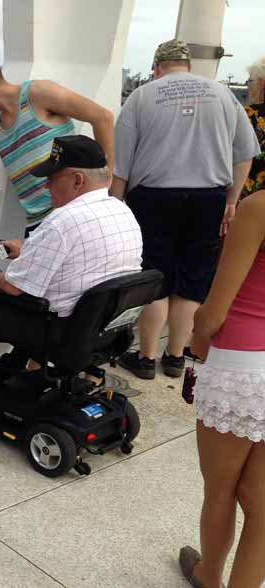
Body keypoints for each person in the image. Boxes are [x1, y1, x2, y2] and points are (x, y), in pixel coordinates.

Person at [112, 39, 261, 381]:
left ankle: (146, 359)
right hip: (209, 197)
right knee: (192, 280)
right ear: (189, 66)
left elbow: (121, 163)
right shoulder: (222, 95)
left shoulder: (141, 96)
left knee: (155, 278)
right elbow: (244, 152)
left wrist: (116, 205)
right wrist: (232, 200)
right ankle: (176, 356)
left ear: (157, 67)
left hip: (153, 198)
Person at [0, 136, 142, 382]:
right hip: (102, 329)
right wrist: (29, 249)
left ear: (77, 180)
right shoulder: (122, 212)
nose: (46, 186)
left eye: (51, 179)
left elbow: (15, 287)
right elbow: (80, 259)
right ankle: (12, 366)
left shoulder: (63, 220)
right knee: (43, 295)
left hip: (58, 331)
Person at [179, 191, 265, 588]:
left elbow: (213, 314)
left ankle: (208, 576)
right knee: (262, 508)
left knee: (220, 488)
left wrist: (195, 342)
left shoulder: (258, 208)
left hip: (242, 367)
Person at [0, 51, 114, 233]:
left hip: (73, 214)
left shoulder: (39, 94)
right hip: (36, 225)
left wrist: (106, 181)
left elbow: (103, 118)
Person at [242, 57, 265, 199]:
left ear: (262, 83)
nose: (248, 86)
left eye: (250, 81)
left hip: (253, 194)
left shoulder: (249, 114)